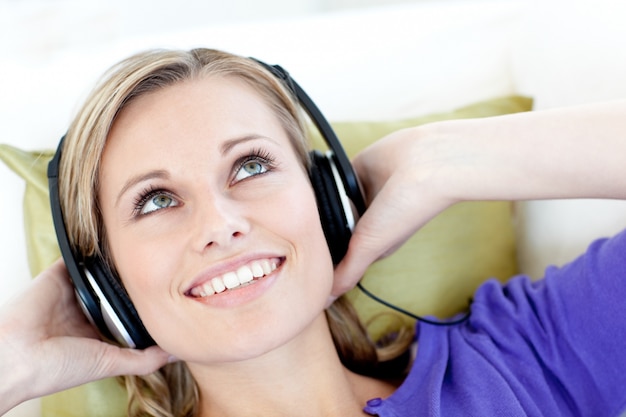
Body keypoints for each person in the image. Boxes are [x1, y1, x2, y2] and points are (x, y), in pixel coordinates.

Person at [1, 47, 625, 416]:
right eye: (156, 200)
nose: (222, 225)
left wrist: (442, 158)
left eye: (250, 165)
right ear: (105, 282)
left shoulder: (520, 358)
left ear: (329, 202)